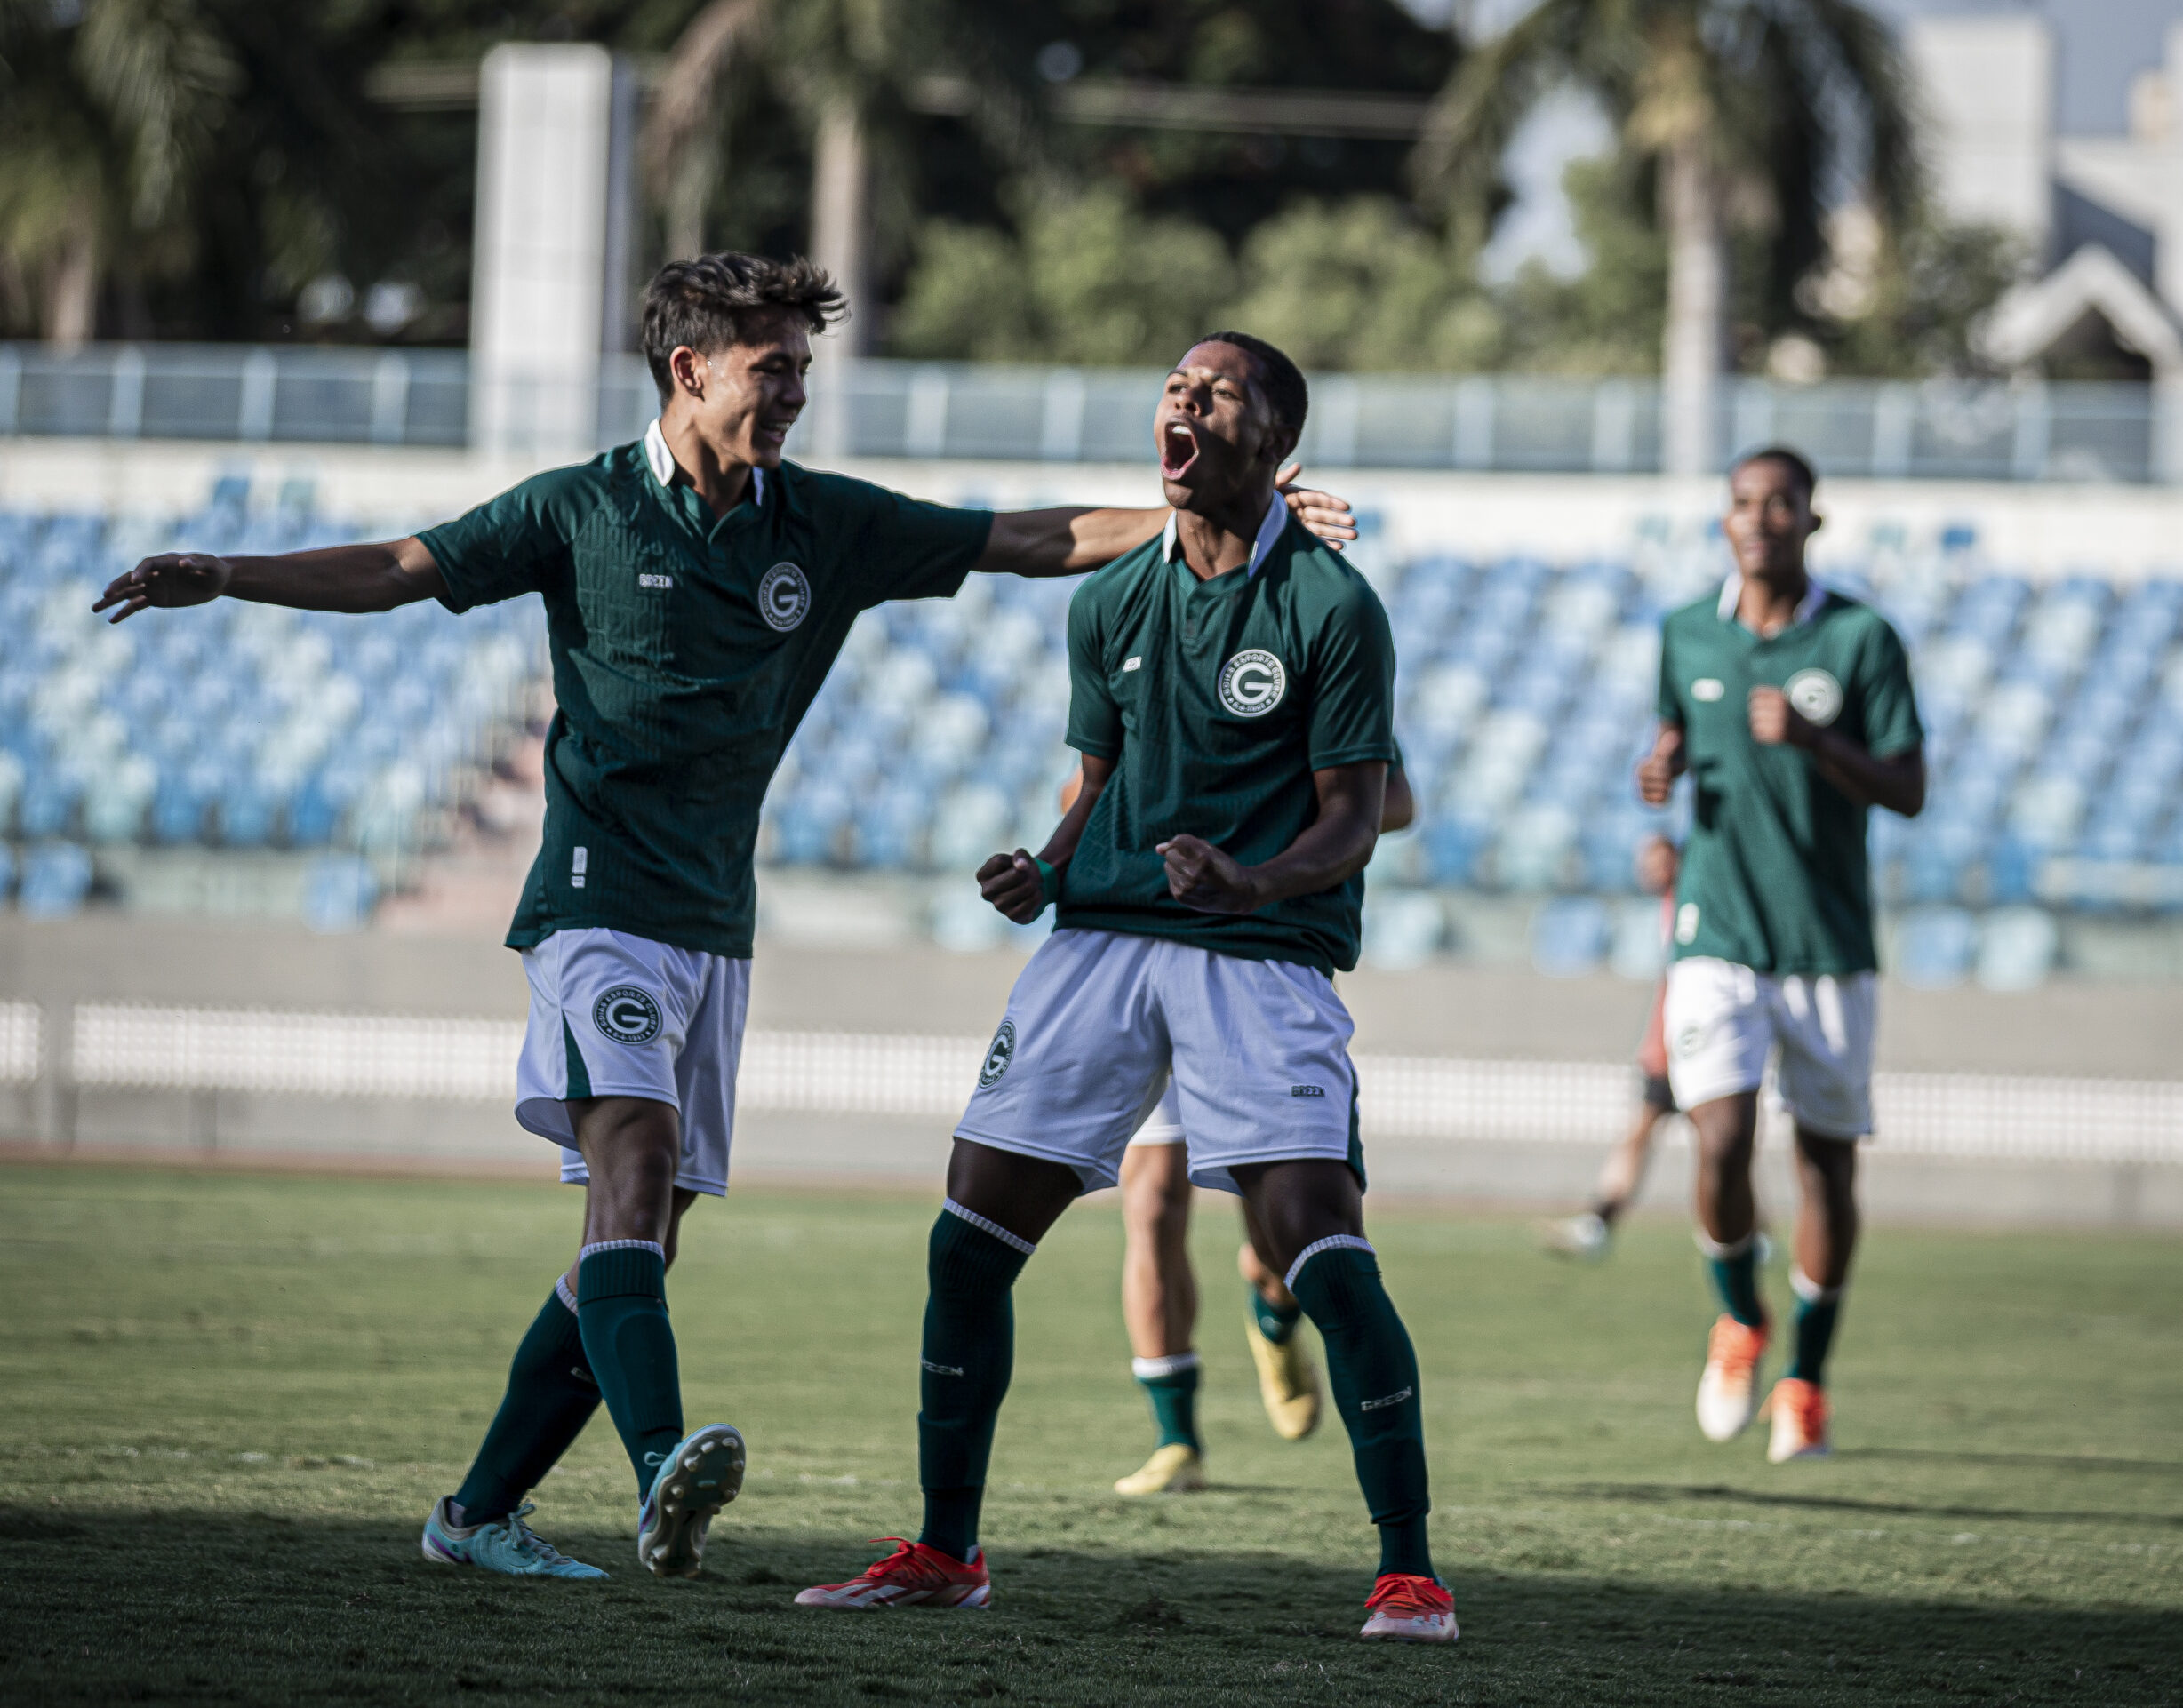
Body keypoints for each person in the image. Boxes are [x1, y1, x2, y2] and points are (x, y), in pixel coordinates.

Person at [93, 256, 1356, 1582]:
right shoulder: (577, 508)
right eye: (776, 367)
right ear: (690, 370)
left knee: (637, 1239)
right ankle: (662, 1480)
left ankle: (474, 1515)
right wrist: (229, 571)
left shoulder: (818, 523)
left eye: (804, 368)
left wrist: (1236, 511)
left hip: (714, 924)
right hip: (596, 905)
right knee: (634, 1173)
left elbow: (1026, 539)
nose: (798, 391)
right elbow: (404, 567)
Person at [795, 332, 1455, 1644]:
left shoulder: (1332, 605)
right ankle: (946, 1545)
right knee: (967, 1245)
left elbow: (1354, 818)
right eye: (1173, 388)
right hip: (1097, 946)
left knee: (1321, 1255)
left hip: (1259, 958)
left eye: (1214, 393)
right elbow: (1094, 784)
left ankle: (1410, 1570)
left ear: (1272, 439)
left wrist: (1251, 883)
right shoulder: (1105, 606)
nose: (1183, 404)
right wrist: (1043, 865)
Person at [1635, 446, 1925, 1465]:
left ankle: (1804, 1376)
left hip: (1826, 944)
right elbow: (1674, 734)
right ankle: (1737, 1317)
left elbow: (1907, 786)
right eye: (1742, 503)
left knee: (1826, 1170)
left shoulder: (1858, 639)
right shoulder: (1682, 631)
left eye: (1781, 503)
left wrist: (1816, 744)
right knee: (1715, 1138)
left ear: (1812, 519)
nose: (1759, 518)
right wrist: (1659, 774)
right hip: (1715, 932)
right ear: (1724, 521)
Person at [1113, 760, 1413, 1498]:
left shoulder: (1298, 662)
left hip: (1255, 965)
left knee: (1281, 1222)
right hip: (1143, 955)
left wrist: (1265, 845)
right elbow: (1085, 790)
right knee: (1151, 1201)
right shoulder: (1145, 656)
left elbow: (1390, 801)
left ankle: (1274, 1307)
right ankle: (1176, 1437)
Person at [1542, 833, 1681, 1261]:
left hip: (1684, 1043)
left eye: (1657, 859)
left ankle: (1599, 1224)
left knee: (1719, 1143)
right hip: (1673, 1042)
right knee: (1651, 1133)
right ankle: (1599, 1222)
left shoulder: (1691, 904)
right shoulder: (1671, 906)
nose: (1649, 870)